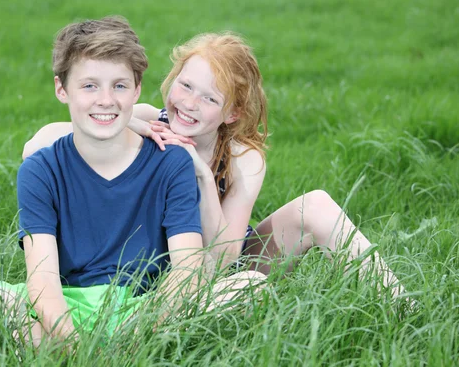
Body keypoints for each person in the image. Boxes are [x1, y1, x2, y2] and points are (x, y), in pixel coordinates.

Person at [0, 17, 263, 349]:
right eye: (89, 86)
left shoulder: (180, 161)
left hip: (145, 306)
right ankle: (65, 345)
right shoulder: (44, 167)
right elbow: (43, 280)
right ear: (62, 89)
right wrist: (77, 347)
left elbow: (195, 269)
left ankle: (60, 346)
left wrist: (133, 339)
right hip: (67, 299)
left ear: (135, 89)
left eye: (119, 86)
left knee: (252, 285)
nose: (105, 99)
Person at [24, 31, 406, 297]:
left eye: (209, 99)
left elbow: (225, 258)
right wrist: (134, 124)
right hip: (161, 263)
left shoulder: (243, 158)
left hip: (223, 260)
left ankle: (401, 302)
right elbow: (37, 142)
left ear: (231, 113)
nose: (189, 103)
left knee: (319, 205)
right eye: (185, 86)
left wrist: (203, 176)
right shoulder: (148, 118)